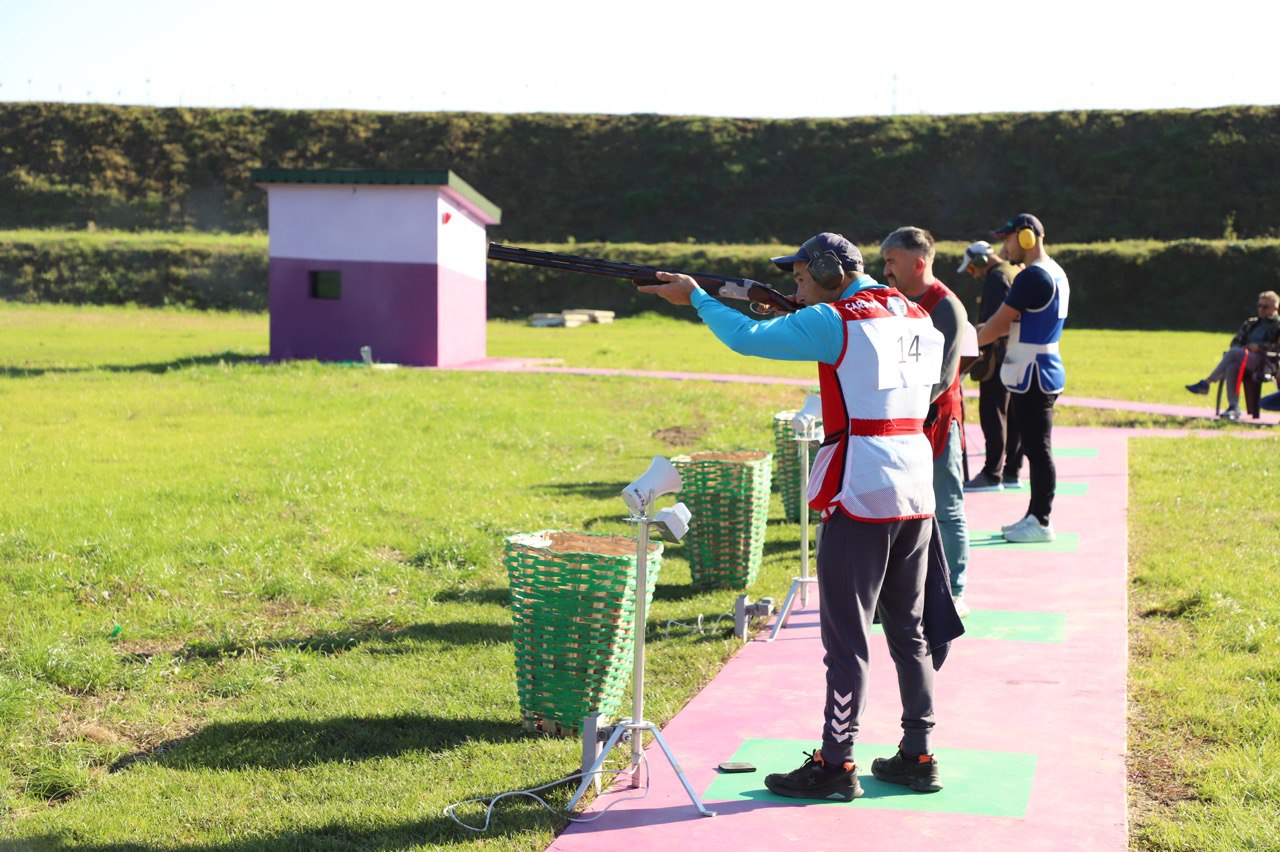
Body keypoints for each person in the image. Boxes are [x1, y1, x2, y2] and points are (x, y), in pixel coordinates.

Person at [638, 232, 962, 802]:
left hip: (861, 488)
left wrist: (697, 299)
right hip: (915, 486)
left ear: (830, 270)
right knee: (908, 631)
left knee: (847, 640)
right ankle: (919, 753)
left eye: (801, 276)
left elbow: (744, 338)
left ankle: (836, 764)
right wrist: (800, 309)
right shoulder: (916, 313)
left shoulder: (835, 320)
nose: (797, 285)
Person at [880, 227, 971, 618]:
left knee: (946, 508)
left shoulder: (947, 306)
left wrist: (900, 408)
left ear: (918, 264)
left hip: (936, 421)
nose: (886, 270)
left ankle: (955, 590)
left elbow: (944, 376)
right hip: (896, 422)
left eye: (892, 262)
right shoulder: (890, 301)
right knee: (897, 510)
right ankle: (900, 594)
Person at [977, 213, 1069, 543]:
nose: (1005, 247)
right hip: (1039, 369)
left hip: (1032, 373)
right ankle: (1034, 515)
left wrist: (969, 343)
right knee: (1035, 448)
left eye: (1008, 238)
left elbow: (1000, 323)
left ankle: (1040, 520)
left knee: (1038, 450)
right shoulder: (1053, 271)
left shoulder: (1031, 277)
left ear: (1026, 236)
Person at [957, 241, 1024, 491]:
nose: (973, 273)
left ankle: (991, 474)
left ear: (980, 261)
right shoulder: (1014, 270)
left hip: (996, 354)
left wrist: (972, 349)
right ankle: (1012, 472)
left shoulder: (996, 278)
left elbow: (992, 323)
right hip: (1017, 350)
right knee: (1014, 414)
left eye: (971, 268)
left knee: (992, 413)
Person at [1185, 291, 1280, 420]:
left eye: (1265, 307)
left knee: (1234, 353)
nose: (1261, 309)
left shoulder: (1277, 326)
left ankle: (1207, 383)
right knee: (1232, 366)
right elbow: (1235, 342)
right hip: (1245, 358)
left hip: (1267, 363)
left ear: (1275, 308)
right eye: (1259, 305)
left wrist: (1260, 347)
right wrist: (1246, 347)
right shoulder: (1251, 323)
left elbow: (1277, 347)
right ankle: (1233, 407)